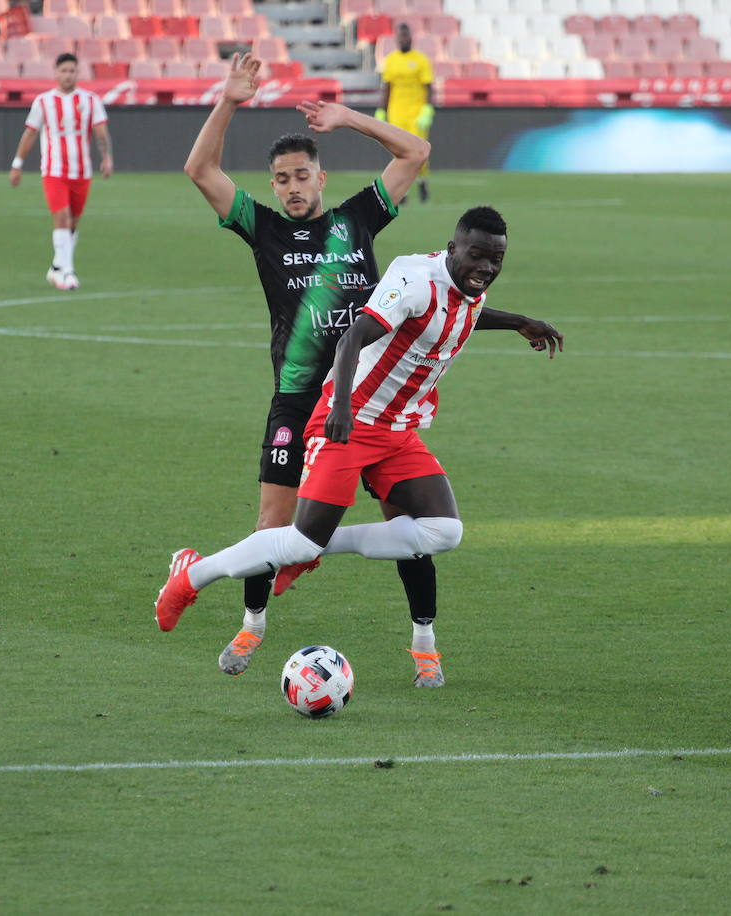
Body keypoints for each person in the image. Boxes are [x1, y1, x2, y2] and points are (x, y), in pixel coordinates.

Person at [155, 206, 563, 688]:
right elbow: (352, 338)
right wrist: (341, 408)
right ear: (453, 248)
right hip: (350, 421)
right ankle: (190, 575)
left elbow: (462, 312)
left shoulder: (466, 284)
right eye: (477, 256)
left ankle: (320, 551)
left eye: (496, 259)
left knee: (442, 531)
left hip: (398, 430)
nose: (487, 268)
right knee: (300, 537)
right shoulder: (414, 280)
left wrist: (520, 322)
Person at [183, 52, 437, 682]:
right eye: (282, 178)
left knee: (408, 526)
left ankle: (424, 641)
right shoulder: (263, 230)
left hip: (367, 401)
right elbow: (199, 169)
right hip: (297, 401)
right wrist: (229, 99)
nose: (293, 187)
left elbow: (415, 151)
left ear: (321, 178)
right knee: (274, 522)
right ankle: (251, 628)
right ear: (272, 186)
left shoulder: (357, 220)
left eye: (302, 175)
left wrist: (349, 115)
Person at [9, 52, 113, 291]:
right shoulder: (43, 102)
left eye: (72, 71)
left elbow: (100, 132)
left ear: (78, 73)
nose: (68, 75)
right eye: (64, 70)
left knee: (74, 223)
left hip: (82, 172)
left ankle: (56, 267)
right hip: (53, 170)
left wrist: (106, 158)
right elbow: (30, 132)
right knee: (62, 218)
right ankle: (67, 272)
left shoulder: (90, 100)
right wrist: (17, 164)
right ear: (56, 73)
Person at [377, 21, 435, 204]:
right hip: (396, 114)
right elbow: (387, 87)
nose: (403, 39)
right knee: (400, 154)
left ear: (411, 38)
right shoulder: (391, 61)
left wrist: (427, 109)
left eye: (406, 35)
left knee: (419, 154)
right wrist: (381, 110)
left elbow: (429, 87)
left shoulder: (421, 60)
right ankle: (404, 192)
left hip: (416, 115)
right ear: (396, 38)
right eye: (400, 36)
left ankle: (423, 182)